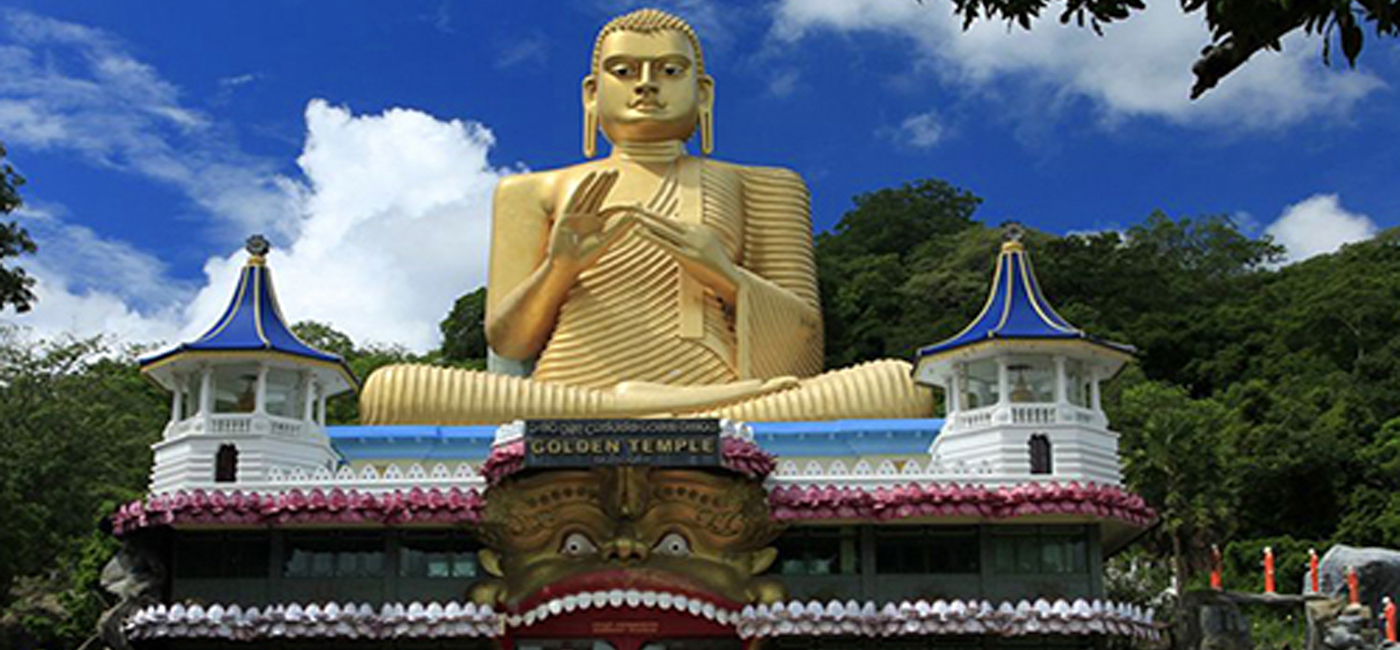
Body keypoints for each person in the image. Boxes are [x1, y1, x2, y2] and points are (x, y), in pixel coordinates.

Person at [360, 9, 930, 425]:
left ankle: (644, 413)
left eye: (669, 72)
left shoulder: (765, 185)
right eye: (625, 71)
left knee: (901, 386)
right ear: (591, 93)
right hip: (565, 397)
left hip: (731, 396)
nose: (647, 85)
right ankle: (640, 413)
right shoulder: (531, 191)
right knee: (389, 390)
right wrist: (559, 268)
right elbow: (509, 344)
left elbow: (803, 351)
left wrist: (724, 276)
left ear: (703, 94)